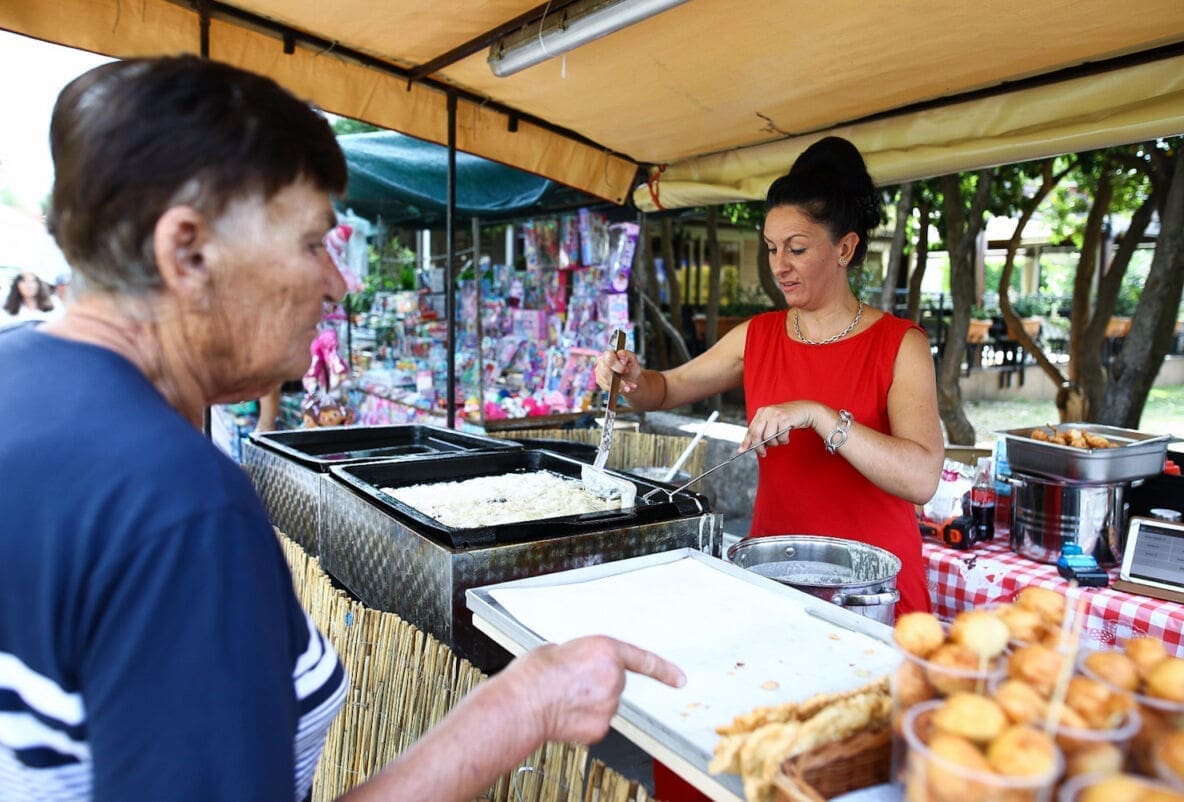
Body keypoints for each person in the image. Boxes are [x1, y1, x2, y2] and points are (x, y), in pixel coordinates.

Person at [0, 55, 684, 802]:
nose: (338, 283)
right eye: (311, 243)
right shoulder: (177, 504)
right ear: (187, 252)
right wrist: (522, 707)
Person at [597, 136, 943, 800]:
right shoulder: (758, 335)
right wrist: (630, 378)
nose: (779, 264)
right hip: (776, 587)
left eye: (797, 248)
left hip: (872, 599)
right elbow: (665, 390)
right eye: (771, 246)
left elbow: (922, 476)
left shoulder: (900, 345)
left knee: (850, 778)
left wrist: (819, 414)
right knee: (749, 767)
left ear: (844, 248)